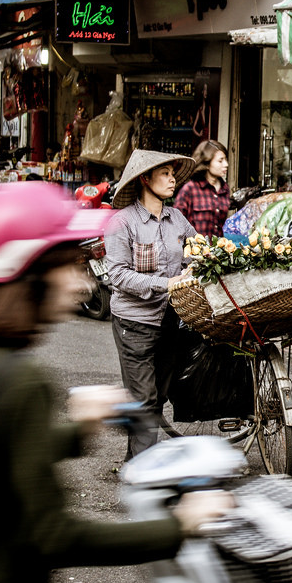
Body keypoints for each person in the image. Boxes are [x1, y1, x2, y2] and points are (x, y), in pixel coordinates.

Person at [0, 182, 232, 583]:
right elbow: (53, 536)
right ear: (32, 275)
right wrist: (178, 525)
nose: (82, 285)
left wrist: (81, 429)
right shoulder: (19, 381)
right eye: (69, 268)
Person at [105, 149, 197, 459]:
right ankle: (144, 476)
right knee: (144, 398)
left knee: (155, 399)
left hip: (169, 320)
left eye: (173, 173)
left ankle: (136, 463)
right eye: (165, 174)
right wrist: (165, 283)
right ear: (146, 179)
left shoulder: (177, 218)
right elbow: (118, 275)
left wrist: (196, 262)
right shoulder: (122, 222)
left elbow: (196, 250)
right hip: (135, 323)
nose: (173, 179)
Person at [174, 139, 231, 236]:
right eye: (220, 161)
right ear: (207, 163)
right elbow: (175, 225)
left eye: (225, 160)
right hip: (196, 249)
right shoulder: (190, 189)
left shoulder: (224, 189)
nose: (226, 164)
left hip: (217, 250)